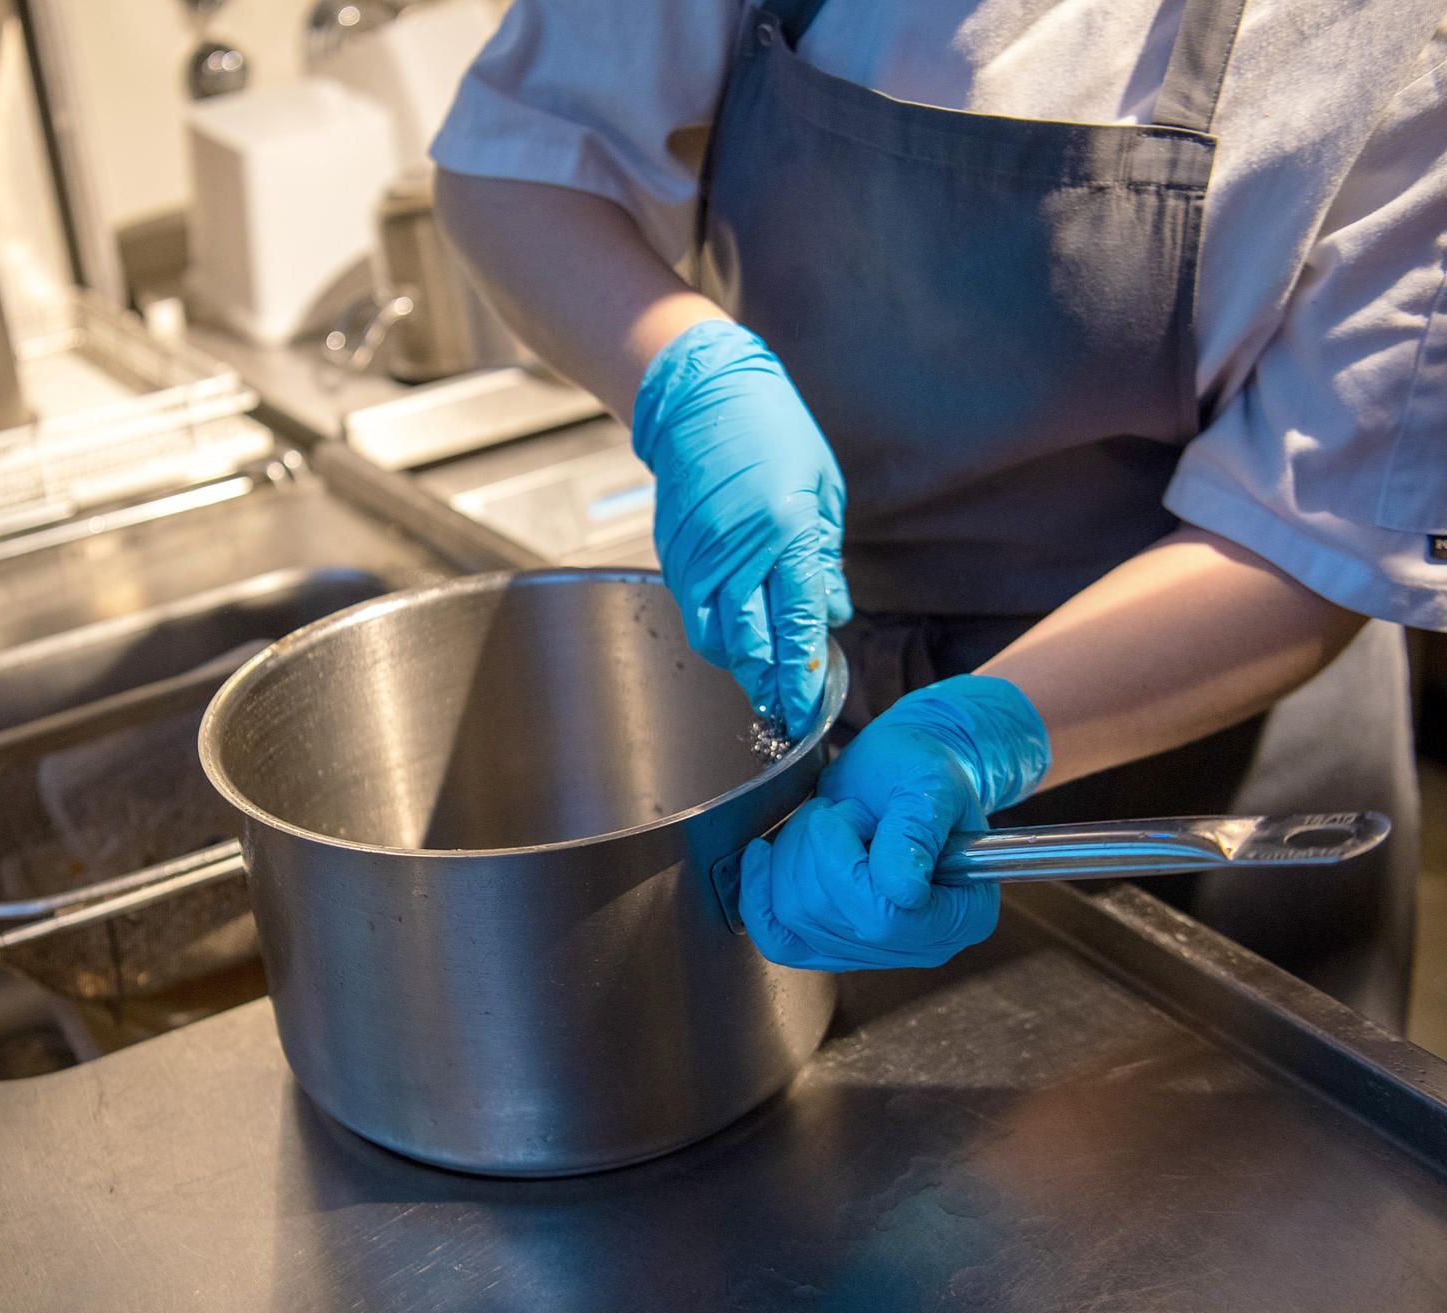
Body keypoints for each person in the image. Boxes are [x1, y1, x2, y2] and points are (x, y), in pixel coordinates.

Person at [430, 0, 1447, 1028]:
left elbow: (1315, 523)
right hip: (834, 695)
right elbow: (524, 154)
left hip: (1205, 757)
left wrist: (978, 732)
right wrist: (686, 371)